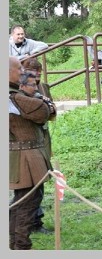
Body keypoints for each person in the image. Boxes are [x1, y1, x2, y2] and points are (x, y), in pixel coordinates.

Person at [9, 57, 56, 250]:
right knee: (27, 203)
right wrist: (40, 99)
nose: (23, 71)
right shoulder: (14, 96)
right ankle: (20, 246)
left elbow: (49, 111)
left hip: (28, 153)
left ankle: (15, 244)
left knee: (23, 201)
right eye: (19, 68)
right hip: (24, 156)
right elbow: (42, 111)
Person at [20, 57, 55, 236]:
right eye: (33, 75)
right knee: (29, 187)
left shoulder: (43, 87)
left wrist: (47, 108)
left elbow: (51, 110)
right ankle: (28, 221)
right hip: (25, 144)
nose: (37, 79)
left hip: (42, 138)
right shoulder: (18, 92)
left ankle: (34, 220)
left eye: (39, 74)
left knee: (40, 181)